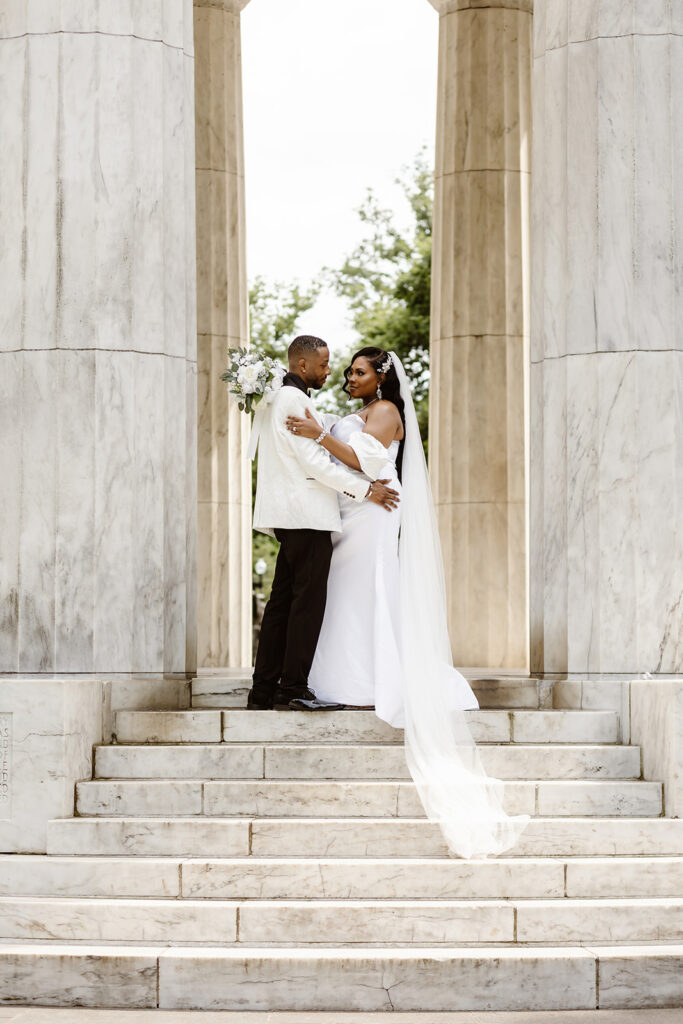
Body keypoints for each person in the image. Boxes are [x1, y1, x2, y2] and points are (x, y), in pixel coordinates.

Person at [285, 347, 529, 858]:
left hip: (376, 509)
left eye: (358, 371)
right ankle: (342, 676)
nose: (350, 378)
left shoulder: (387, 412)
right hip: (355, 506)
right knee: (343, 594)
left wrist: (322, 436)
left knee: (362, 587)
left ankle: (374, 678)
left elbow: (371, 461)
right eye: (348, 371)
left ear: (380, 379)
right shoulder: (355, 413)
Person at [247, 335, 400, 712]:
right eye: (327, 364)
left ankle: (265, 688)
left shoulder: (287, 397)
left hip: (301, 515)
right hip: (307, 515)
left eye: (351, 369)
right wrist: (365, 492)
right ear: (303, 366)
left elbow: (329, 440)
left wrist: (322, 434)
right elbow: (314, 464)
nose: (335, 372)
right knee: (304, 604)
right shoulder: (293, 399)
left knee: (283, 602)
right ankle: (293, 687)